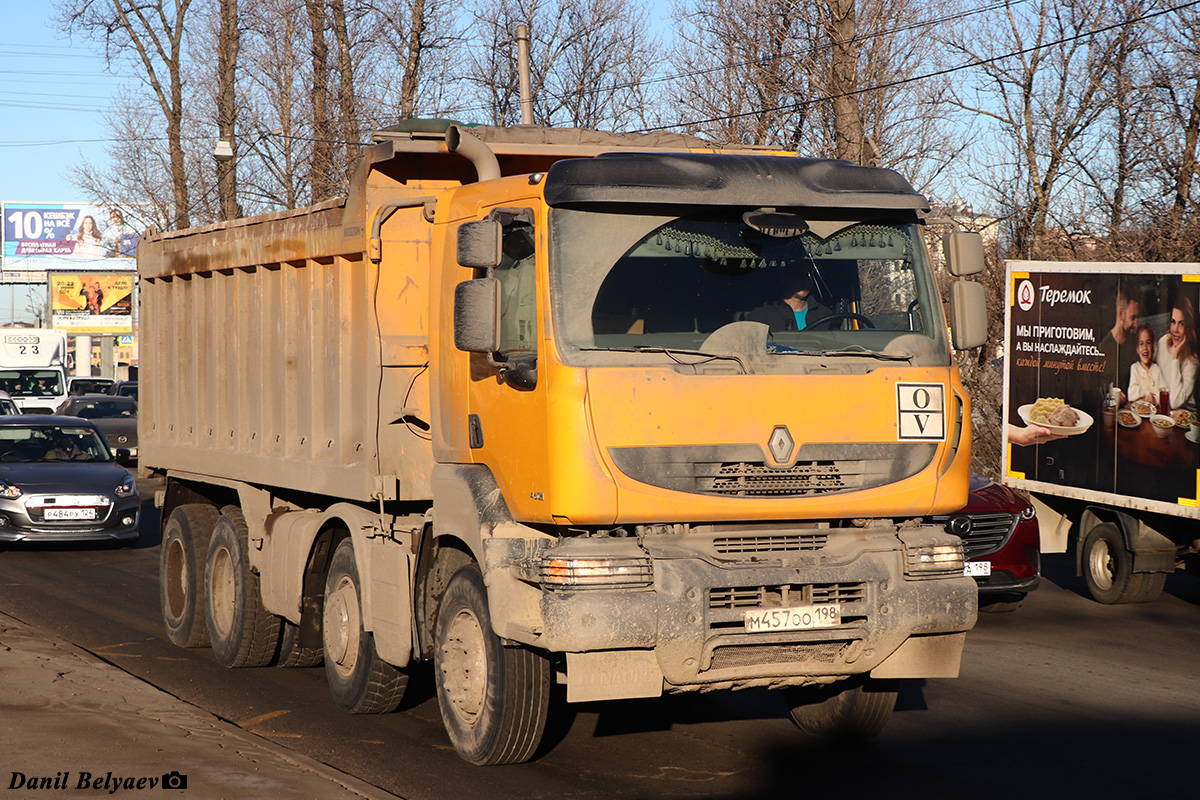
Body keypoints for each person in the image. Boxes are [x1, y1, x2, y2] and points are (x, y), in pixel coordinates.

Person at [745, 268, 832, 332]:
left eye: (809, 276)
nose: (805, 280)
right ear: (783, 277)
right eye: (799, 275)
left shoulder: (825, 314)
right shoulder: (763, 314)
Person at [1155, 295, 1198, 410]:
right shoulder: (1163, 342)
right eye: (1173, 322)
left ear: (1188, 328)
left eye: (1181, 324)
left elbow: (1175, 402)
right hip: (1161, 408)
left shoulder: (1192, 360)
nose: (1175, 329)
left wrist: (1175, 357)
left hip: (1184, 416)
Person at [1127, 324, 1166, 404]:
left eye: (1148, 343)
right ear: (1137, 349)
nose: (1145, 348)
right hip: (1139, 411)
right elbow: (1131, 394)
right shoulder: (1135, 368)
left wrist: (1155, 399)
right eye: (1141, 344)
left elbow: (1164, 392)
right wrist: (1147, 394)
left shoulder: (1156, 369)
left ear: (1153, 346)